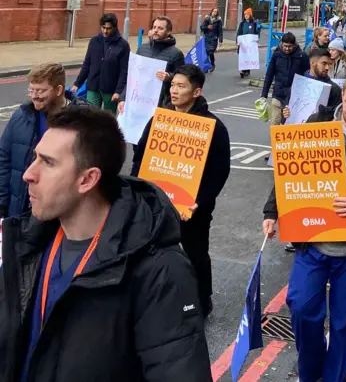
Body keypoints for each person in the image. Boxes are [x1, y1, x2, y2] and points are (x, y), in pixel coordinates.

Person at [0, 105, 212, 381]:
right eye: (34, 158)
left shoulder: (158, 269)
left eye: (48, 162)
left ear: (88, 179)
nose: (28, 173)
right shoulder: (29, 240)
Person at [262, 76, 346, 382]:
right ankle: (310, 374)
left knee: (345, 324)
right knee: (300, 307)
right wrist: (273, 211)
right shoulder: (319, 121)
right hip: (315, 242)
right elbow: (291, 170)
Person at [132, 64, 230, 317]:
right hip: (157, 202)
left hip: (193, 207)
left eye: (181, 86)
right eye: (172, 85)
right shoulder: (159, 119)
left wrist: (201, 201)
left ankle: (202, 300)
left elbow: (220, 172)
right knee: (152, 251)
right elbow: (140, 156)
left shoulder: (213, 127)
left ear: (196, 92)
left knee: (196, 254)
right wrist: (136, 189)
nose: (174, 91)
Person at [0, 63, 78, 219]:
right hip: (20, 211)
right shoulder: (20, 116)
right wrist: (2, 203)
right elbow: (4, 159)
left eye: (40, 91)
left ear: (59, 90)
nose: (34, 96)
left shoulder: (82, 119)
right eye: (31, 90)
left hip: (59, 214)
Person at [120, 16, 185, 111]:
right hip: (139, 100)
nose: (155, 30)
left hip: (161, 103)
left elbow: (182, 78)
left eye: (160, 28)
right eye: (154, 27)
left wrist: (169, 77)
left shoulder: (176, 54)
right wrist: (123, 98)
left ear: (169, 32)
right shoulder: (142, 49)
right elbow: (133, 76)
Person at [72, 13, 130, 113]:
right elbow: (87, 63)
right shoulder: (94, 41)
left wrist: (118, 91)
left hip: (110, 89)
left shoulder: (123, 45)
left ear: (115, 27)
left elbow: (124, 71)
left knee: (108, 118)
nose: (105, 31)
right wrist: (77, 83)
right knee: (91, 116)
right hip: (93, 86)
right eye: (103, 27)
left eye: (109, 28)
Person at [261, 32, 310, 125]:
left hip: (294, 96)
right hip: (278, 94)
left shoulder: (301, 56)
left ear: (294, 45)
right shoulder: (276, 55)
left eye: (290, 46)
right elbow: (269, 75)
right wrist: (264, 94)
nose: (287, 48)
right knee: (275, 122)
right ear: (281, 44)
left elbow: (308, 74)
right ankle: (274, 139)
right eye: (285, 46)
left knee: (288, 123)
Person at [237, 8, 259, 78]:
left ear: (250, 15)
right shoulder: (242, 23)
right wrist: (238, 41)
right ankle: (243, 70)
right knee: (243, 56)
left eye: (247, 14)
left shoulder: (254, 23)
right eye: (245, 14)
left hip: (250, 43)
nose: (245, 16)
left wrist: (257, 39)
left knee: (249, 56)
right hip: (243, 43)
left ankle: (247, 71)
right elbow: (239, 32)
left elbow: (256, 32)